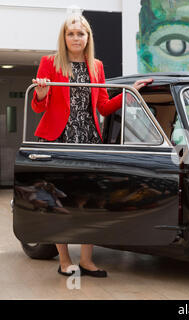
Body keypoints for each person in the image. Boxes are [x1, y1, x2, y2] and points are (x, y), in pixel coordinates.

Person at [31, 14, 152, 277]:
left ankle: (86, 261)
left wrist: (130, 93)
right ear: (64, 38)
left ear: (88, 38)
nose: (76, 38)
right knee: (59, 201)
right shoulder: (49, 63)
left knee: (90, 199)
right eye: (71, 33)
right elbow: (39, 105)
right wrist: (41, 92)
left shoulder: (96, 66)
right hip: (58, 139)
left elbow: (103, 107)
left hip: (88, 139)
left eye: (81, 33)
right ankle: (64, 261)